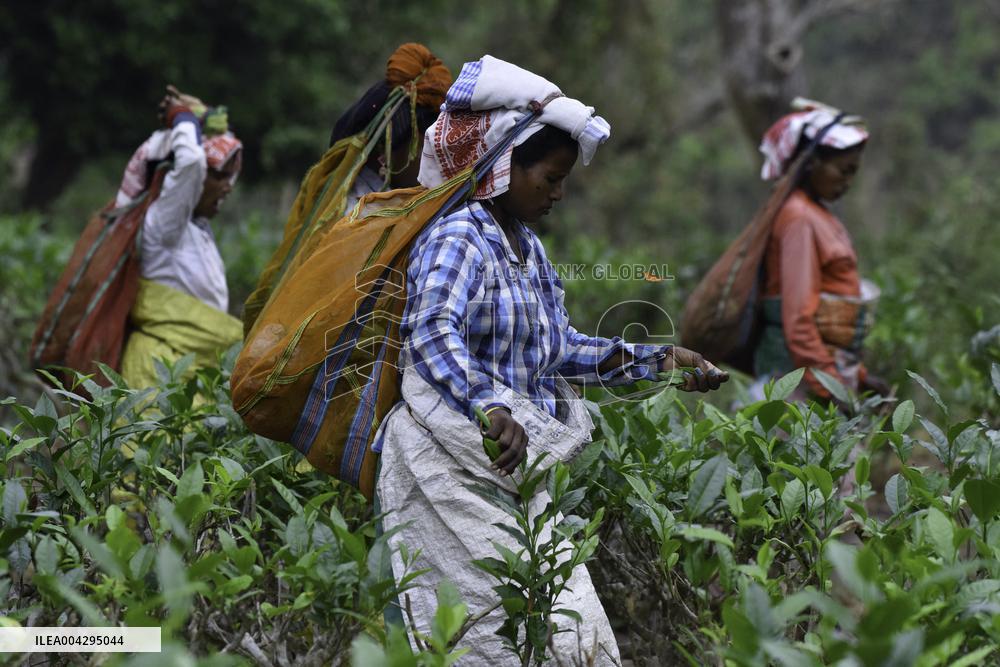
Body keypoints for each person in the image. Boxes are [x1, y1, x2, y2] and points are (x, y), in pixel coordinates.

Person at [374, 56, 727, 665]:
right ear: (502, 166)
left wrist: (658, 359)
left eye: (565, 179)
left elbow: (557, 348)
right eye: (550, 177)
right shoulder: (458, 236)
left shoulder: (527, 249)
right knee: (482, 640)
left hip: (516, 473)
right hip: (446, 469)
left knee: (570, 638)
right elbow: (431, 332)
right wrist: (487, 407)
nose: (559, 192)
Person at [241, 43, 452, 333]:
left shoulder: (393, 203)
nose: (431, 161)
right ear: (387, 149)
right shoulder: (357, 214)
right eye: (424, 148)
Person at [752, 101, 890, 401]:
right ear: (812, 163)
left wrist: (861, 377)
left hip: (821, 372)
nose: (848, 182)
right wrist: (832, 388)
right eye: (843, 171)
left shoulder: (817, 215)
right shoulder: (799, 219)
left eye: (853, 172)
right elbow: (799, 321)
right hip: (795, 384)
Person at [117, 87, 244, 387]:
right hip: (159, 370)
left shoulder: (196, 229)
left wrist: (205, 118)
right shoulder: (164, 225)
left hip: (193, 370)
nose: (228, 187)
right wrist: (181, 117)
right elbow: (190, 162)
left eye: (230, 177)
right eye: (218, 176)